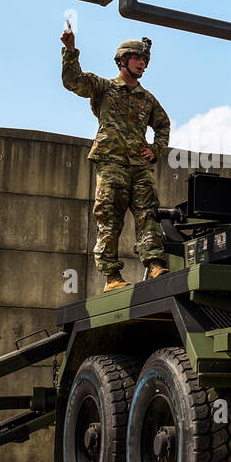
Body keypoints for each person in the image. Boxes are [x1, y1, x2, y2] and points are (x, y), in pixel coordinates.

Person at [61, 25, 171, 290]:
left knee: (148, 215)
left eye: (144, 59)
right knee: (108, 218)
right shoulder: (104, 88)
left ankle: (155, 264)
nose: (142, 63)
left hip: (139, 166)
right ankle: (111, 277)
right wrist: (70, 50)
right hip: (111, 165)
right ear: (122, 60)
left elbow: (163, 125)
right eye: (137, 58)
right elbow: (73, 82)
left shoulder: (147, 99)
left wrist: (155, 150)